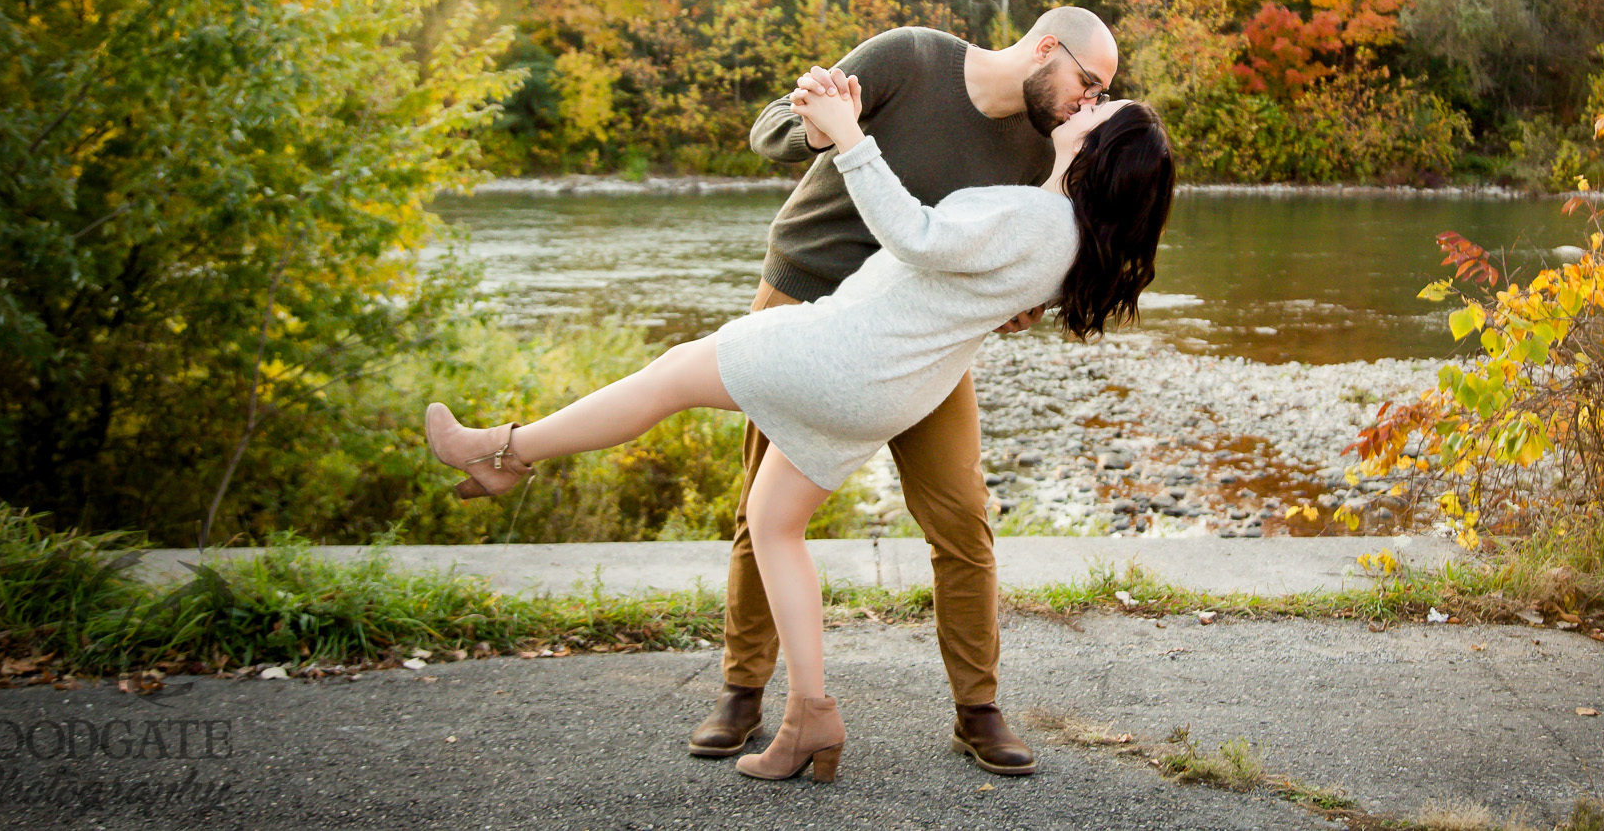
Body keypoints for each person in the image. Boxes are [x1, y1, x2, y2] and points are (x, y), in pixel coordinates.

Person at [424, 75, 1175, 785]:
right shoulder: (1062, 234)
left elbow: (915, 236)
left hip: (839, 355)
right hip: (883, 389)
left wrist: (850, 133)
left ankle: (503, 450)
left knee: (668, 377)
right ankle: (810, 715)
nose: (1087, 107)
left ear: (1099, 150)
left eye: (1101, 111)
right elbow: (982, 258)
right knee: (773, 519)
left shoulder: (1036, 221)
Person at [703, 8, 1121, 776]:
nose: (1086, 105)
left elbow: (1027, 246)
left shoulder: (1049, 147)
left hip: (919, 340)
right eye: (1087, 84)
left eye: (1099, 97)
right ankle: (742, 687)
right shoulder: (910, 58)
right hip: (802, 302)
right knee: (759, 506)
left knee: (962, 517)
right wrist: (823, 132)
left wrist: (1022, 306)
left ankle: (978, 708)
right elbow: (772, 126)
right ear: (1046, 46)